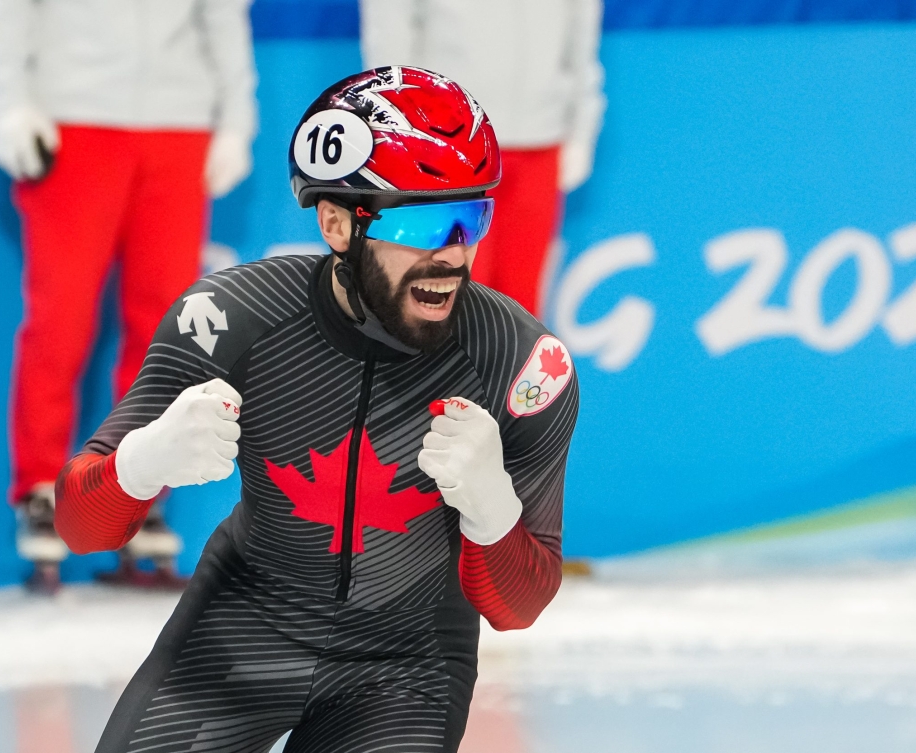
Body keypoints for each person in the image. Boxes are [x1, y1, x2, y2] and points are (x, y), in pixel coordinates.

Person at [53, 67, 579, 752]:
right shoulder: (232, 319)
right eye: (421, 220)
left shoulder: (517, 363)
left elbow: (518, 606)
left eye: (470, 216)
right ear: (335, 222)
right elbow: (80, 527)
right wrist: (137, 466)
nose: (451, 253)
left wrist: (491, 510)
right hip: (242, 630)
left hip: (406, 667)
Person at [0, 0, 259, 591]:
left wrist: (236, 118)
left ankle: (142, 486)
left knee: (167, 328)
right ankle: (41, 490)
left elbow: (223, 14)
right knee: (60, 317)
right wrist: (12, 104)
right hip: (75, 116)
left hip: (179, 123)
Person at [360, 0, 606, 317]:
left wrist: (582, 127)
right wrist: (401, 127)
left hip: (540, 140)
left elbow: (582, 31)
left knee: (521, 307)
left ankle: (512, 367)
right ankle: (446, 367)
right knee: (450, 295)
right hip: (449, 141)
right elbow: (390, 28)